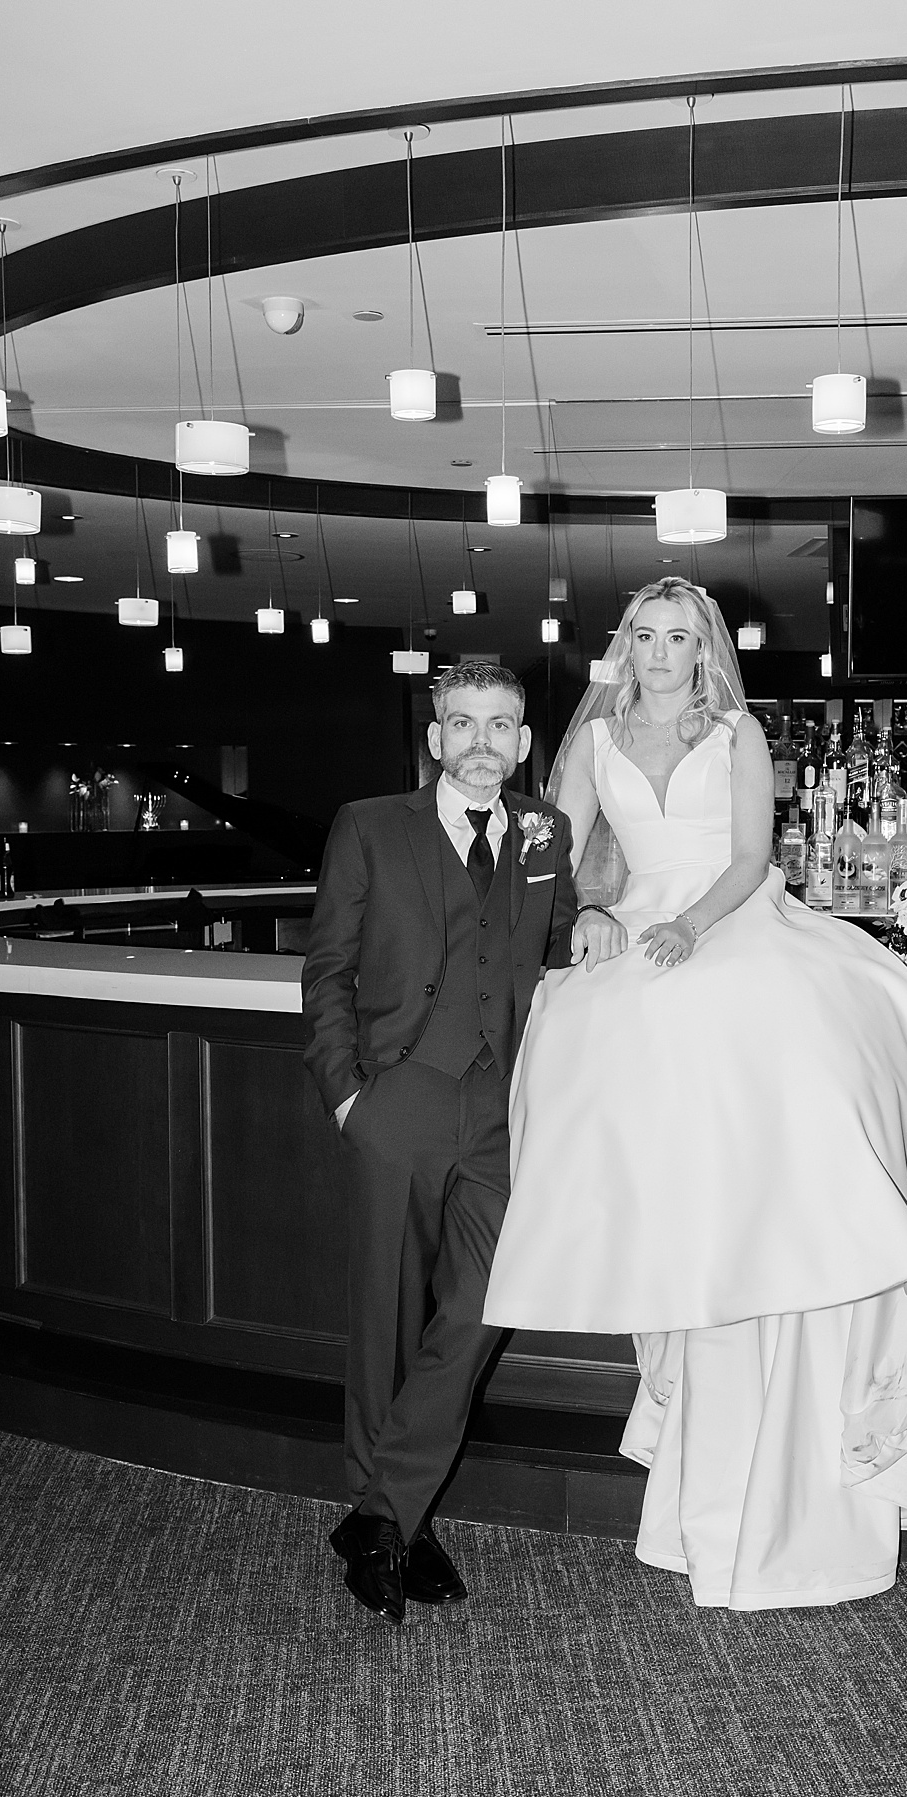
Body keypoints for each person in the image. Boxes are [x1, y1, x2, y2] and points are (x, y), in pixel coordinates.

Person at [483, 577, 907, 1610]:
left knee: (781, 1033)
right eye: (649, 634)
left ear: (703, 648)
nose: (664, 651)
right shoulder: (594, 740)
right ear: (625, 645)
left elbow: (748, 856)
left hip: (733, 914)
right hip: (637, 916)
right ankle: (664, 1262)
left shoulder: (735, 734)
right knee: (597, 1029)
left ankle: (808, 1241)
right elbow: (563, 850)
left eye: (682, 636)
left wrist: (693, 925)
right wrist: (594, 910)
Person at [301, 663, 582, 1624]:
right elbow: (328, 968)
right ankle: (395, 1525)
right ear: (434, 739)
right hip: (402, 1097)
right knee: (386, 1315)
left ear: (521, 740)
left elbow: (556, 948)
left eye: (500, 726)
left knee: (482, 1304)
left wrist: (602, 934)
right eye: (462, 724)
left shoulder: (548, 832)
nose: (481, 743)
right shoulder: (369, 825)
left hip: (503, 1109)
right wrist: (349, 1097)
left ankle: (383, 1515)